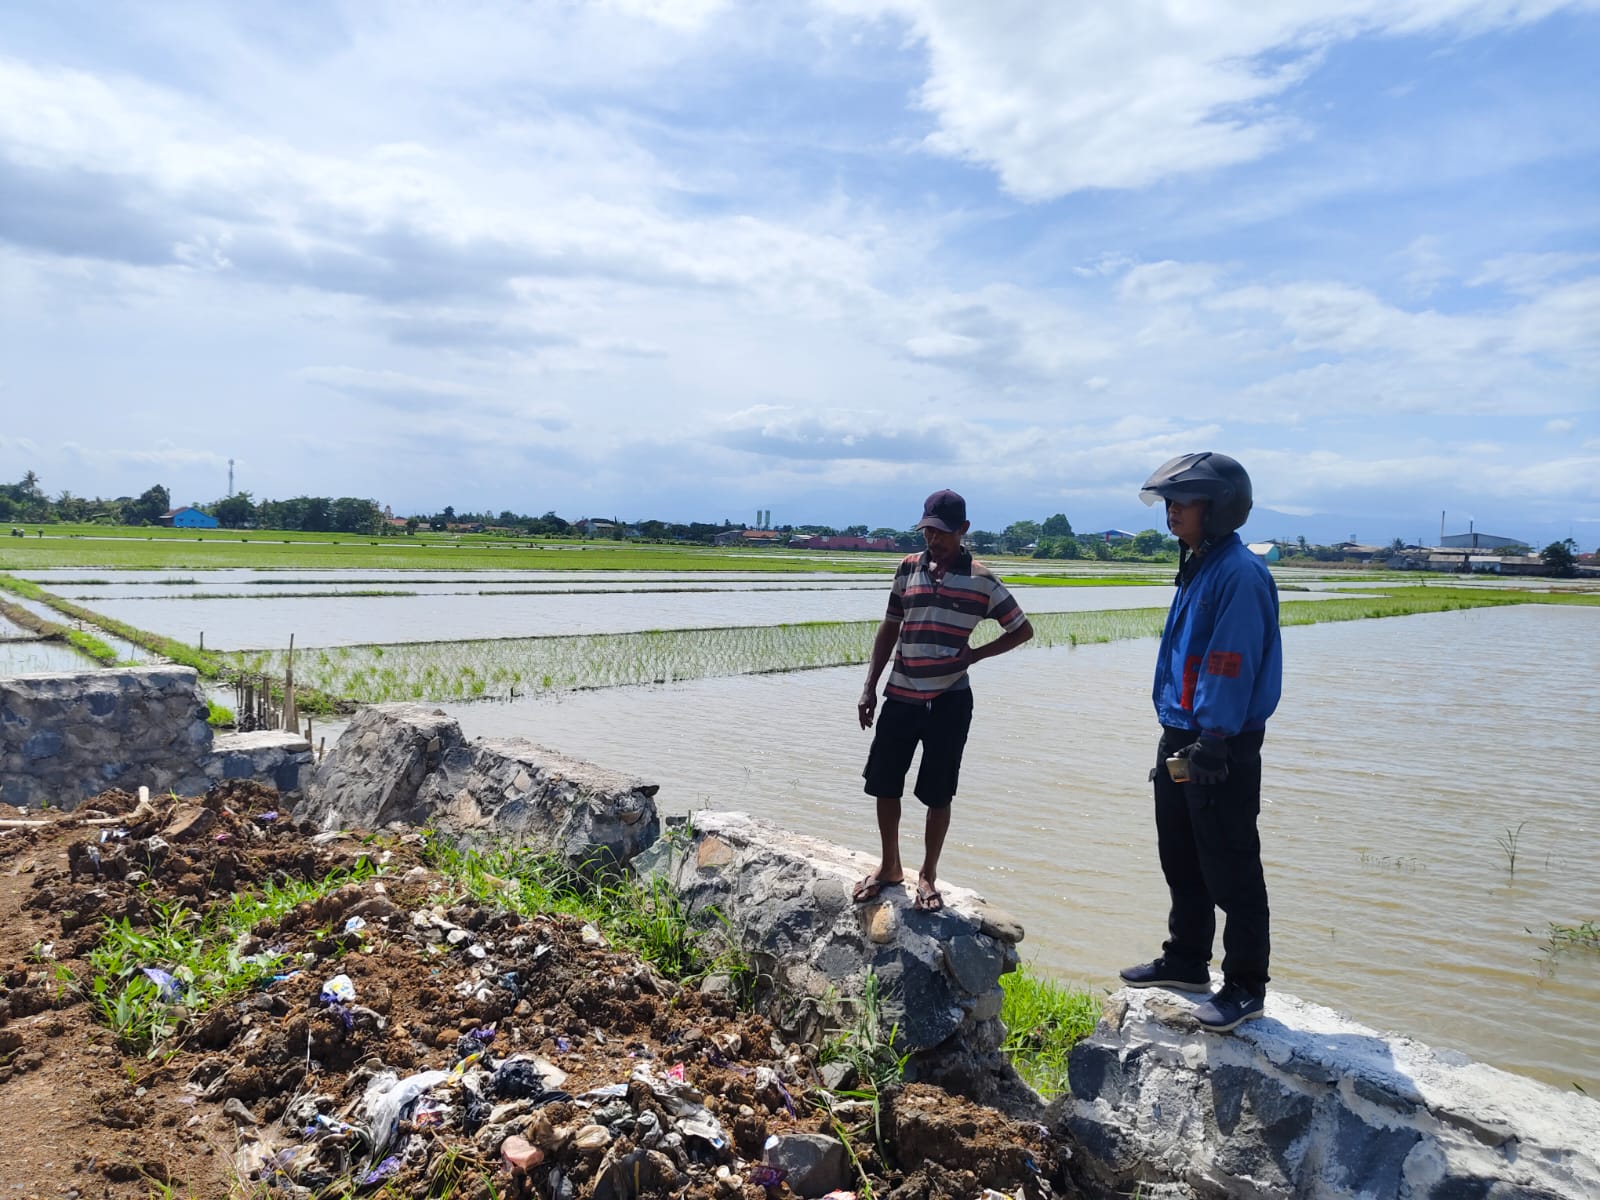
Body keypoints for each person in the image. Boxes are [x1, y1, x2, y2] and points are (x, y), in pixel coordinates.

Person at [1120, 452, 1282, 1032]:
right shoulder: (1198, 565)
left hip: (1220, 740)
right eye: (1169, 502)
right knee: (1181, 853)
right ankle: (1187, 958)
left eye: (1184, 502)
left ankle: (1245, 985)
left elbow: (1229, 662)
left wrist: (1213, 738)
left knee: (1231, 862)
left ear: (1217, 509)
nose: (1172, 511)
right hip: (1182, 732)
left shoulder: (1238, 573)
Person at [854, 489, 1034, 912]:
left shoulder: (982, 580)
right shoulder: (908, 568)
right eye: (928, 532)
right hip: (901, 694)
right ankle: (890, 866)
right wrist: (869, 686)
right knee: (884, 783)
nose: (933, 540)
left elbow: (1021, 629)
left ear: (963, 530)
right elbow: (890, 627)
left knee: (938, 792)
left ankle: (928, 875)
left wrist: (974, 655)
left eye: (942, 533)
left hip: (949, 700)